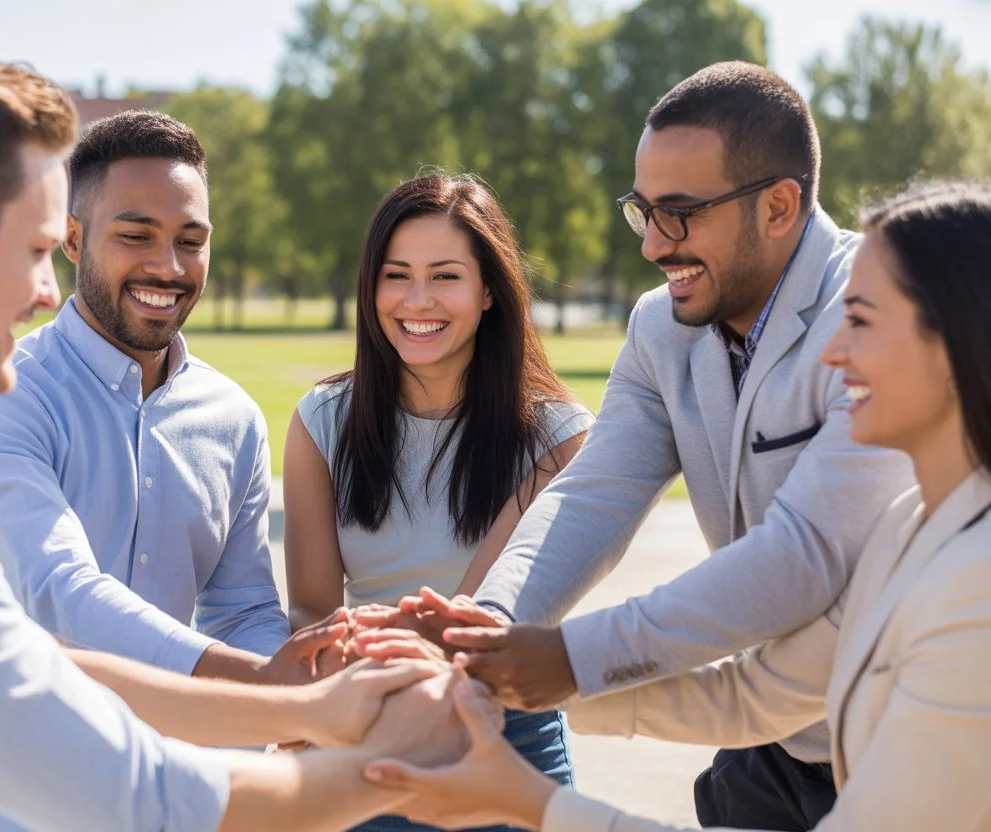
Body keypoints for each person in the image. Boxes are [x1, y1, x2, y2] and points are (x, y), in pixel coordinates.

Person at [0, 41, 477, 832]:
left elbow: (35, 663)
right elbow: (128, 782)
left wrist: (306, 699)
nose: (46, 290)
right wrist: (374, 763)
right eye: (39, 249)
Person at [380, 61, 916, 831]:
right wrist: (485, 626)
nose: (655, 247)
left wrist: (570, 657)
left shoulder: (871, 318)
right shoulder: (659, 326)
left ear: (779, 205)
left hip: (906, 743)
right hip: (766, 751)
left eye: (682, 213)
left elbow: (804, 555)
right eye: (644, 212)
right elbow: (592, 494)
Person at [0, 110, 323, 689]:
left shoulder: (234, 420)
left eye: (190, 241)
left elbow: (243, 611)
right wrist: (269, 685)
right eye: (136, 235)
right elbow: (57, 589)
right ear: (73, 238)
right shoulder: (1, 394)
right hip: (15, 767)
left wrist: (277, 698)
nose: (168, 266)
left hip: (176, 770)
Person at [283, 172, 592, 831]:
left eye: (445, 276)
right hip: (364, 724)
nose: (416, 300)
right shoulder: (321, 420)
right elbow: (311, 604)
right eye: (396, 275)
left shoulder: (558, 438)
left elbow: (471, 626)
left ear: (488, 292)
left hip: (510, 735)